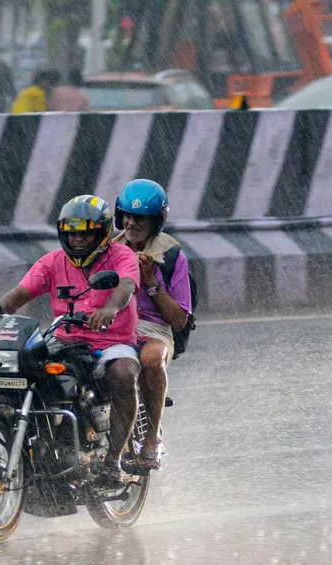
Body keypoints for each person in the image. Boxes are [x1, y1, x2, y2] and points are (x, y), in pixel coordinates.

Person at [0, 195, 142, 485]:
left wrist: (111, 309)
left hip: (112, 341)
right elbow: (22, 292)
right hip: (65, 338)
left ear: (102, 233)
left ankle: (112, 461)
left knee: (124, 374)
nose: (77, 239)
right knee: (26, 367)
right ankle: (44, 442)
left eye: (85, 233)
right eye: (71, 233)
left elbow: (126, 285)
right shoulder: (53, 261)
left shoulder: (122, 256)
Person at [113, 179, 191, 471]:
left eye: (140, 218)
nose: (131, 223)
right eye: (127, 216)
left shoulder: (171, 255)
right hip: (114, 325)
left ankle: (152, 437)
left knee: (151, 359)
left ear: (156, 221)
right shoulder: (110, 250)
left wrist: (151, 282)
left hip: (153, 328)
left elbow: (179, 320)